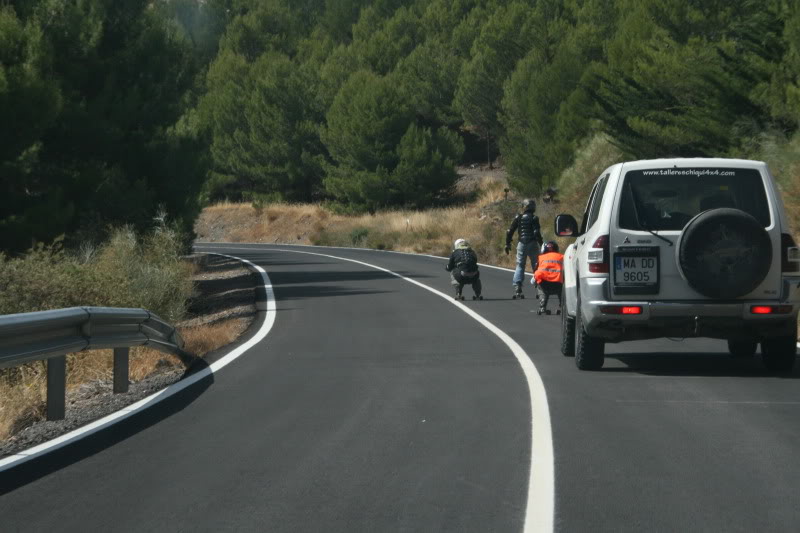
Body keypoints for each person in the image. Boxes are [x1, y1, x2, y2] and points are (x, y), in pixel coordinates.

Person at [505, 198, 543, 299]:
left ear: (524, 207)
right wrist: (541, 243)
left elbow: (509, 231)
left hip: (521, 243)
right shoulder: (535, 218)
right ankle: (539, 287)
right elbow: (536, 232)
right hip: (533, 243)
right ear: (533, 207)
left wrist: (507, 244)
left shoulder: (518, 217)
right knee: (536, 265)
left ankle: (517, 287)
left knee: (520, 265)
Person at [533, 241, 564, 315]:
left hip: (544, 285)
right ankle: (563, 306)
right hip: (558, 285)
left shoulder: (541, 258)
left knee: (538, 280)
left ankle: (542, 306)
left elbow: (535, 270)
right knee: (565, 283)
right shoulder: (562, 257)